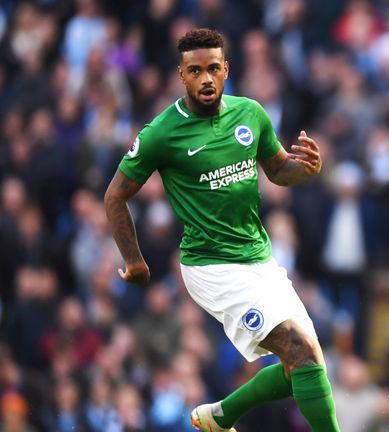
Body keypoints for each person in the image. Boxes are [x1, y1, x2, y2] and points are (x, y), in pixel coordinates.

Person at [103, 28, 339, 432]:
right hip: (211, 268)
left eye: (213, 68)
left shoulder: (250, 113)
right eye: (195, 71)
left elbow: (279, 169)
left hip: (259, 257)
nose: (206, 79)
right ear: (182, 75)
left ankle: (221, 416)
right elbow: (114, 196)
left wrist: (307, 169)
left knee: (307, 362)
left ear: (226, 69)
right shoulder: (161, 133)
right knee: (299, 349)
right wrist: (134, 260)